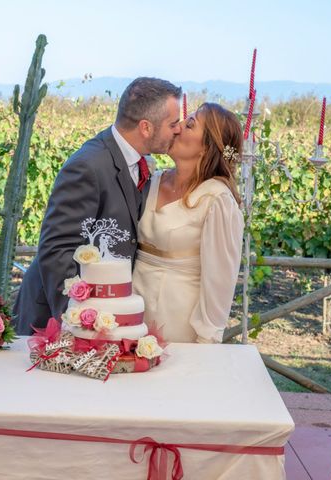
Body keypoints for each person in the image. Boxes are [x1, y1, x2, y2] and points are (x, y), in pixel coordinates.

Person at [13, 78, 182, 335]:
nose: (178, 130)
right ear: (146, 127)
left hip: (108, 313)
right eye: (172, 124)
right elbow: (58, 250)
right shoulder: (88, 166)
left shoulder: (141, 162)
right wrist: (80, 323)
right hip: (56, 318)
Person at [132, 102, 244, 343]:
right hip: (133, 312)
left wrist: (206, 341)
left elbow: (219, 284)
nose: (177, 127)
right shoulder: (152, 180)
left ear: (206, 147)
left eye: (189, 124)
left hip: (177, 324)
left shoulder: (217, 200)